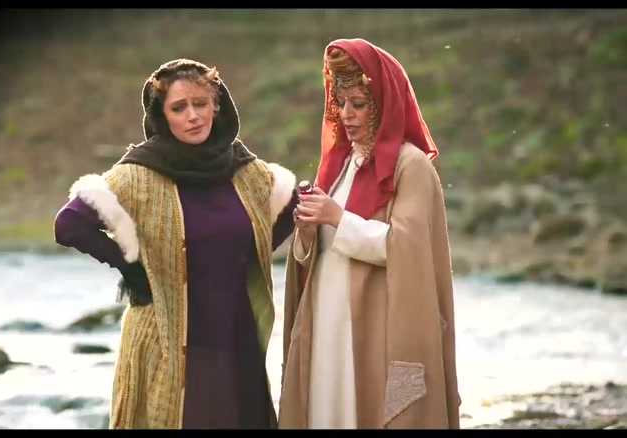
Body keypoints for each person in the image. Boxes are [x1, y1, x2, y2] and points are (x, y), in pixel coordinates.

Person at [53, 58, 298, 429]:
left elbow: (293, 206)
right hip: (169, 338)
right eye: (179, 108)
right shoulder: (138, 174)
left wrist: (250, 253)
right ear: (161, 116)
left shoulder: (246, 171)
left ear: (217, 105)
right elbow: (69, 224)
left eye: (201, 103)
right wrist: (131, 266)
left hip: (236, 335)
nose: (193, 116)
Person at [277, 38, 461, 429]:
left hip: (374, 323)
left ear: (383, 104)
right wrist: (307, 232)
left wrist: (336, 218)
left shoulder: (411, 166)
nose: (346, 115)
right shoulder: (338, 165)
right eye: (340, 103)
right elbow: (316, 250)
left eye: (358, 104)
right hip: (325, 317)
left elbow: (408, 248)